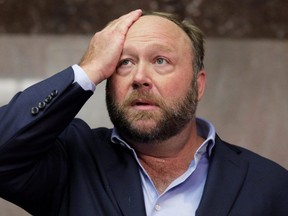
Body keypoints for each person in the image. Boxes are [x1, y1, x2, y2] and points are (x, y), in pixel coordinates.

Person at [0, 9, 287, 216]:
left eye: (160, 60)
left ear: (197, 85)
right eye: (124, 62)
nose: (139, 77)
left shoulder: (270, 185)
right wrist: (87, 70)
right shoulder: (71, 160)